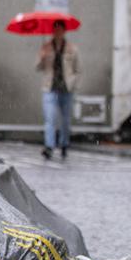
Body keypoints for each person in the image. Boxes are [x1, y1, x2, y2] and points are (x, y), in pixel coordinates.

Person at [36, 20, 80, 160]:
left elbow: (78, 69)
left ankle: (64, 144)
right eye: (55, 29)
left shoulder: (72, 49)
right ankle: (49, 146)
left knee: (65, 120)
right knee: (50, 118)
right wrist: (42, 57)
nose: (57, 32)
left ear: (64, 31)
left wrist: (73, 83)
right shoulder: (46, 47)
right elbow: (38, 67)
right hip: (50, 88)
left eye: (60, 29)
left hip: (66, 88)